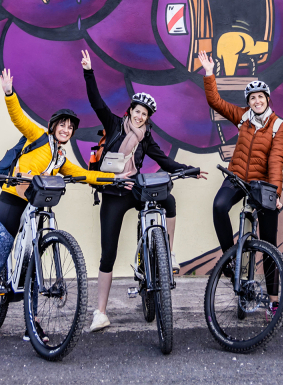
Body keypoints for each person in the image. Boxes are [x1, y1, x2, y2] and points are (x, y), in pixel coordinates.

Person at [0, 69, 127, 351]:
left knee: (33, 267)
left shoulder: (61, 156)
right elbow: (18, 118)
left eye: (70, 127)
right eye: (62, 125)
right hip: (12, 202)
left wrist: (113, 178)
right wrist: (8, 93)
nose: (66, 130)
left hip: (36, 207)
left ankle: (33, 322)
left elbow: (82, 174)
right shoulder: (37, 136)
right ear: (53, 125)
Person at [81, 50, 207, 332]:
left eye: (145, 114)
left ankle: (166, 255)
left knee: (169, 200)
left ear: (148, 118)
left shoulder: (146, 137)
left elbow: (164, 160)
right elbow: (96, 101)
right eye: (137, 111)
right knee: (108, 253)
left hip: (134, 188)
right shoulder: (114, 124)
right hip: (114, 192)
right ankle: (100, 311)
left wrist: (190, 169)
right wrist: (89, 72)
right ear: (130, 111)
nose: (140, 116)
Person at [197, 50, 283, 320]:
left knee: (269, 243)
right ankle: (230, 259)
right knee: (219, 206)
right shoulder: (243, 117)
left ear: (267, 100)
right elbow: (216, 102)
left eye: (260, 97)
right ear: (248, 102)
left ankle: (272, 300)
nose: (256, 101)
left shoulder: (278, 125)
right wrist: (209, 73)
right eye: (252, 98)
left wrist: (275, 193)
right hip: (237, 177)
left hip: (263, 185)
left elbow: (276, 160)